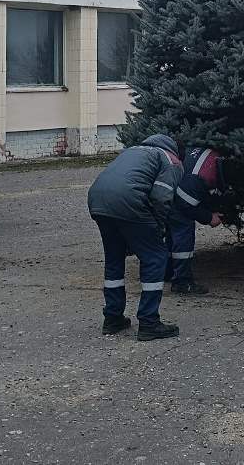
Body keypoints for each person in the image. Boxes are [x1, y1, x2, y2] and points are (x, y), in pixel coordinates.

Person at [87, 133, 183, 341]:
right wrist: (157, 228)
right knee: (156, 257)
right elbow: (161, 196)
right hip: (128, 200)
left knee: (114, 258)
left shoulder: (132, 151)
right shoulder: (170, 160)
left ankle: (113, 318)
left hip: (98, 201)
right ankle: (149, 322)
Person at [167, 146, 225, 295]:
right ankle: (182, 282)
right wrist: (209, 218)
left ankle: (166, 271)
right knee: (183, 231)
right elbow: (185, 204)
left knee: (171, 234)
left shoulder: (207, 157)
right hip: (177, 199)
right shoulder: (201, 176)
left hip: (168, 193)